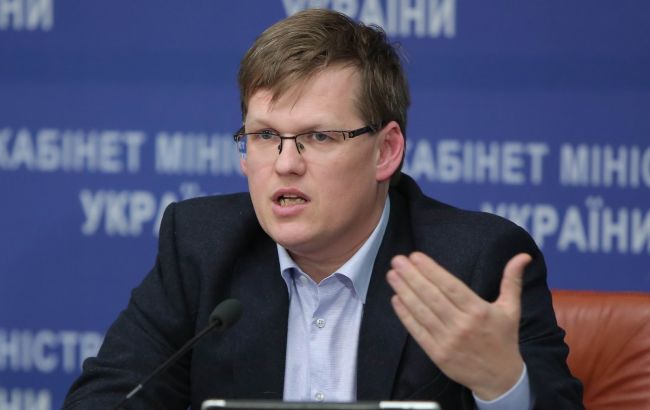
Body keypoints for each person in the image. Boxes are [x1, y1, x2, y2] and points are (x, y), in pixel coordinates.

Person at [63, 9, 583, 410]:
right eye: (265, 135)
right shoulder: (201, 245)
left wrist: (502, 384)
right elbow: (106, 397)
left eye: (318, 136)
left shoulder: (473, 262)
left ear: (386, 151)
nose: (285, 163)